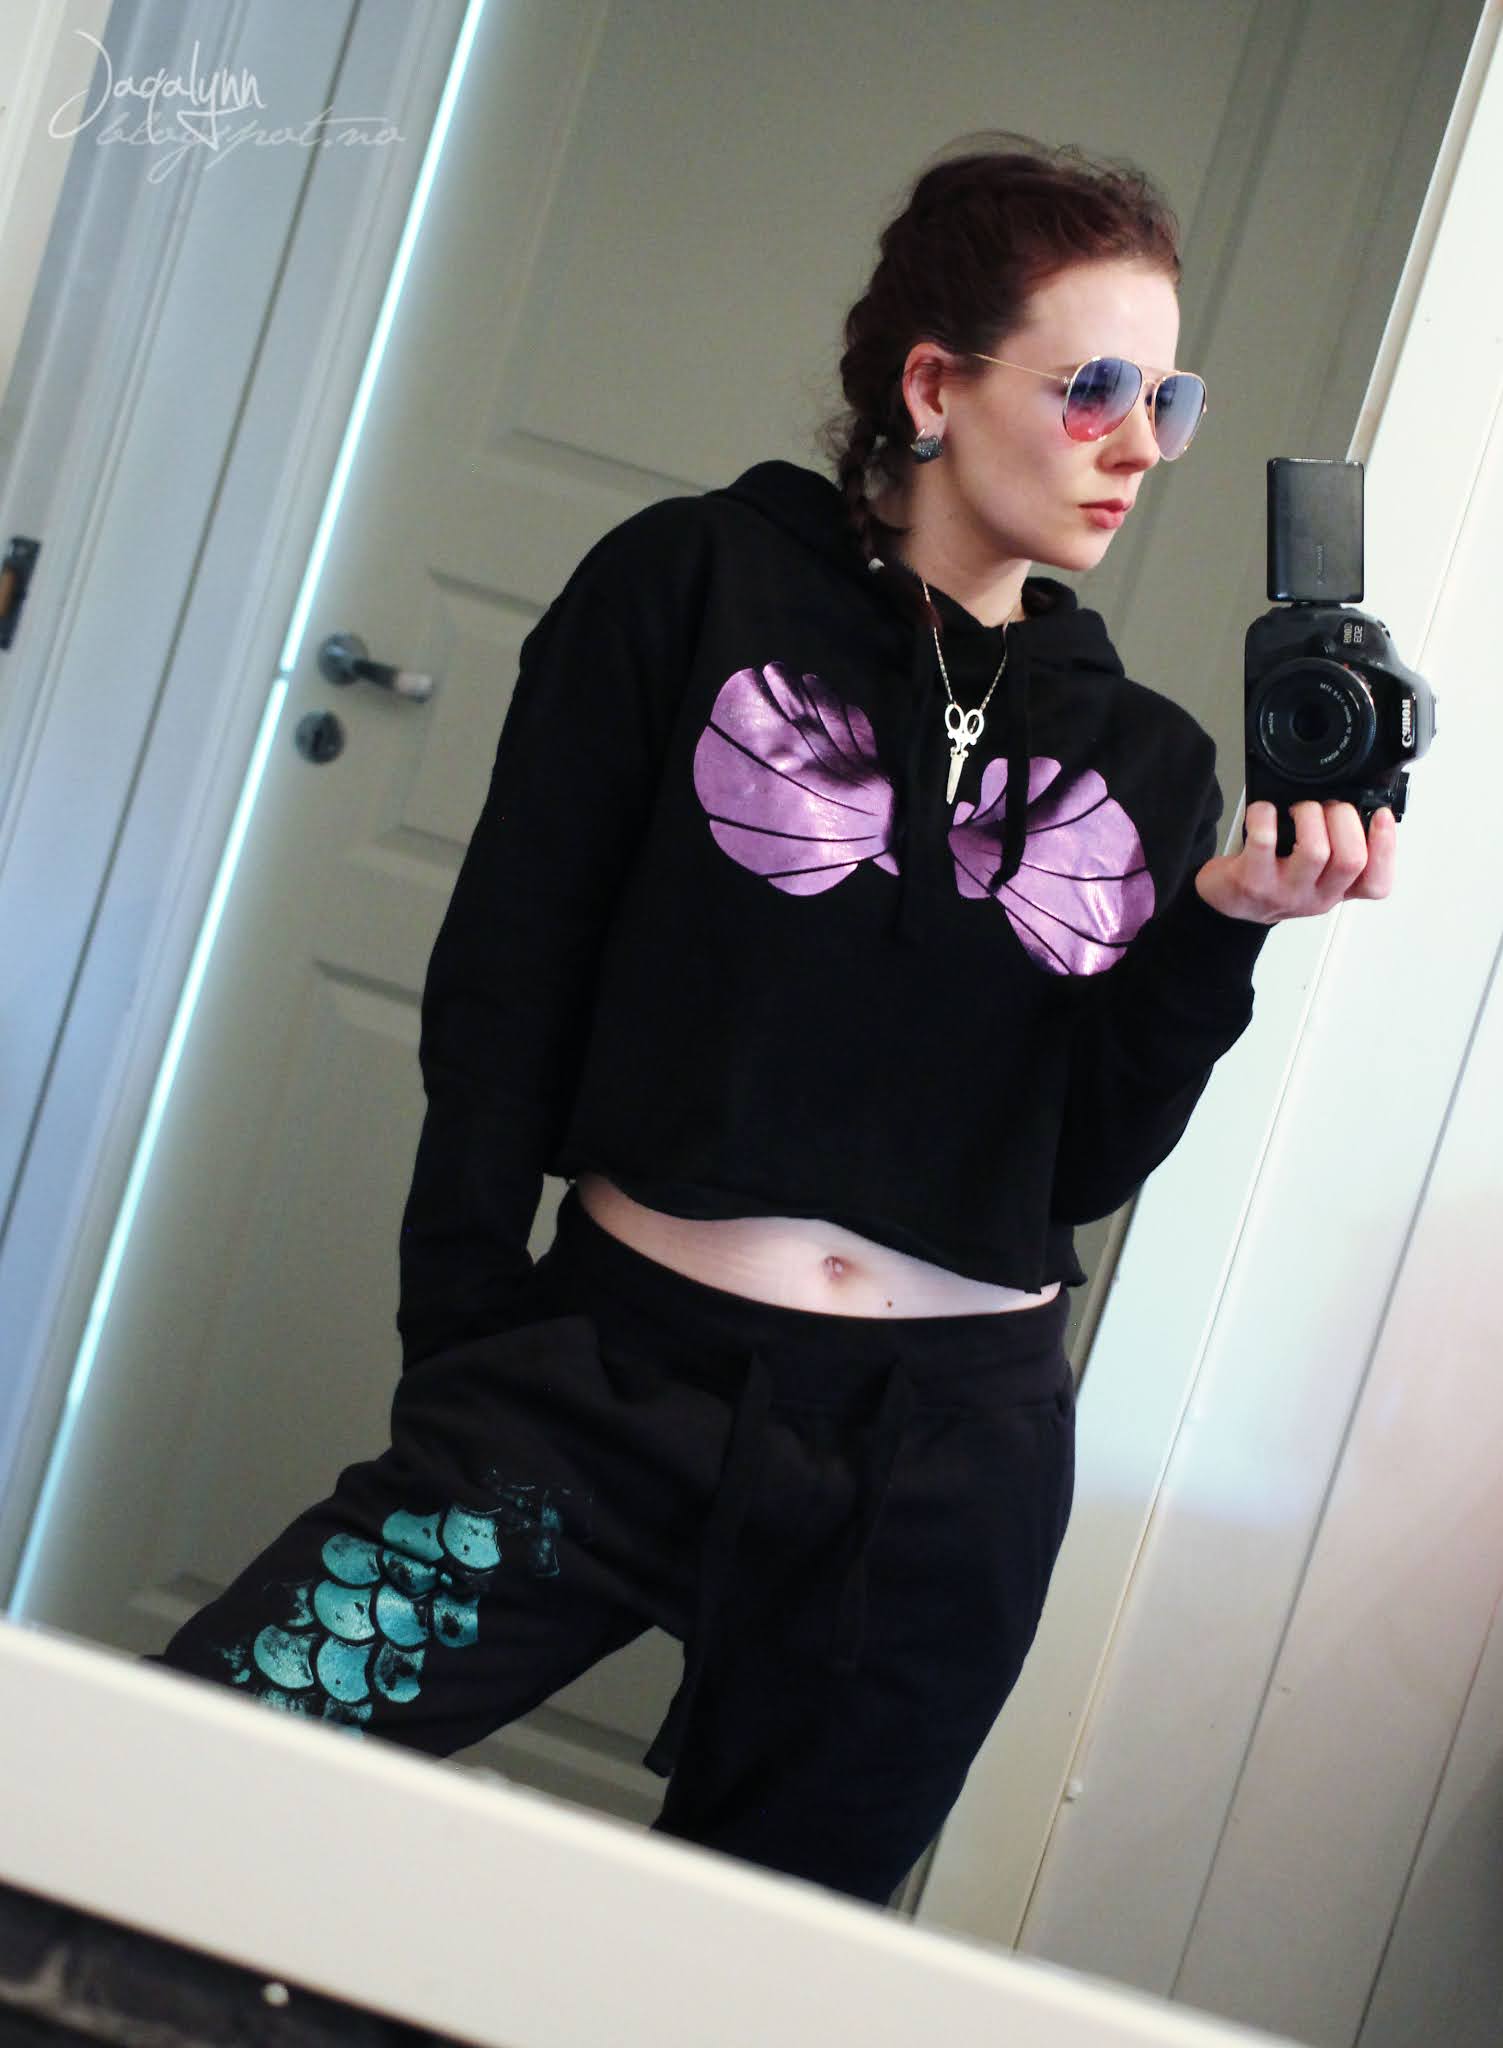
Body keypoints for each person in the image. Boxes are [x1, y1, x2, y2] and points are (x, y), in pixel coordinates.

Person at [146, 134, 1395, 1909]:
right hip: (608, 1393)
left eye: (1167, 399)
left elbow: (1082, 1166)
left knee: (748, 1982)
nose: (1138, 447)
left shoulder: (1147, 758)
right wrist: (468, 1343)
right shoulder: (688, 587)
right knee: (188, 1770)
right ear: (935, 388)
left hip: (945, 1480)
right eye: (1093, 389)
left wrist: (1225, 931)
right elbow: (508, 984)